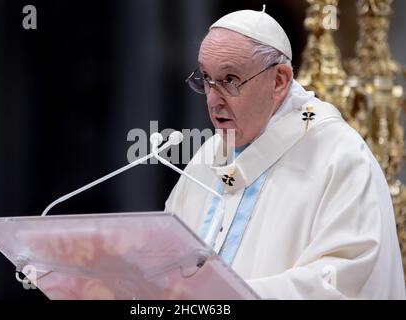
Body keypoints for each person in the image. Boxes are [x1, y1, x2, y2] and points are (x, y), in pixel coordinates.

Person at [165, 9, 405, 299]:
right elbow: (166, 256)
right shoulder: (209, 154)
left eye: (229, 79)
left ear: (279, 81)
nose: (214, 100)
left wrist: (222, 296)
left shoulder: (338, 157)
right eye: (206, 78)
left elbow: (340, 281)